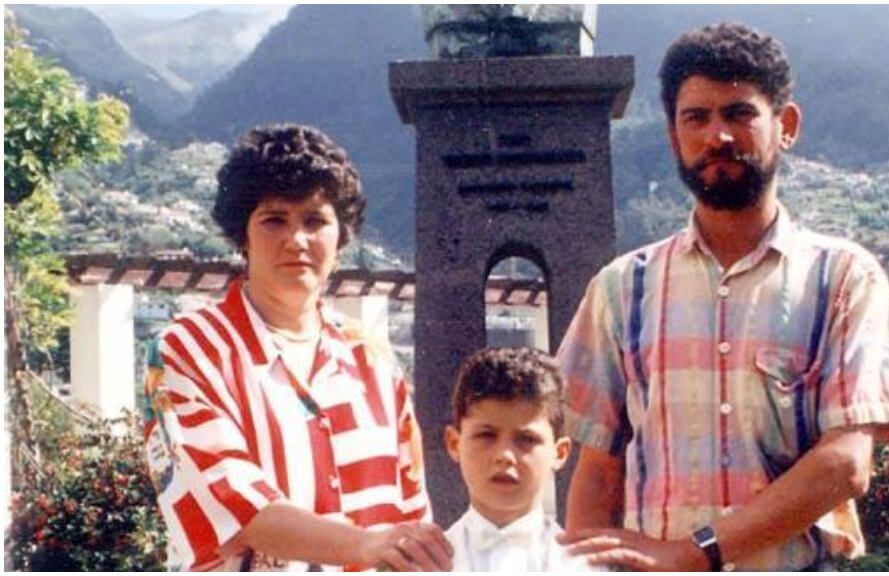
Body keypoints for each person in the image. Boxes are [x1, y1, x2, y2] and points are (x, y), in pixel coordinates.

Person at [555, 22, 889, 571]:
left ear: (786, 125)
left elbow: (846, 463)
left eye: (739, 113)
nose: (716, 136)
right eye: (696, 117)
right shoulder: (621, 288)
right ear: (673, 134)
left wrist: (692, 554)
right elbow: (598, 469)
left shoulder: (843, 279)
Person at [142, 124, 452, 571]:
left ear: (341, 237)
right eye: (274, 220)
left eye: (315, 220)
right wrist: (364, 546)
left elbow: (410, 514)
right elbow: (237, 506)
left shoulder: (373, 362)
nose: (296, 240)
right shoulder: (186, 351)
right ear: (241, 236)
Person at [443, 347, 596, 571]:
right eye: (486, 435)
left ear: (560, 452)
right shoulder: (420, 566)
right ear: (455, 443)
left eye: (526, 439)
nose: (504, 456)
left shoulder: (586, 568)